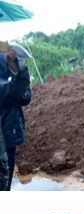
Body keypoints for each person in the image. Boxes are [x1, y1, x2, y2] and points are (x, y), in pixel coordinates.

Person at [0, 47, 32, 191]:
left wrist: (15, 68)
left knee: (7, 174)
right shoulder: (6, 85)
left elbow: (25, 96)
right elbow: (18, 93)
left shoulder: (8, 81)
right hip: (6, 134)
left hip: (10, 132)